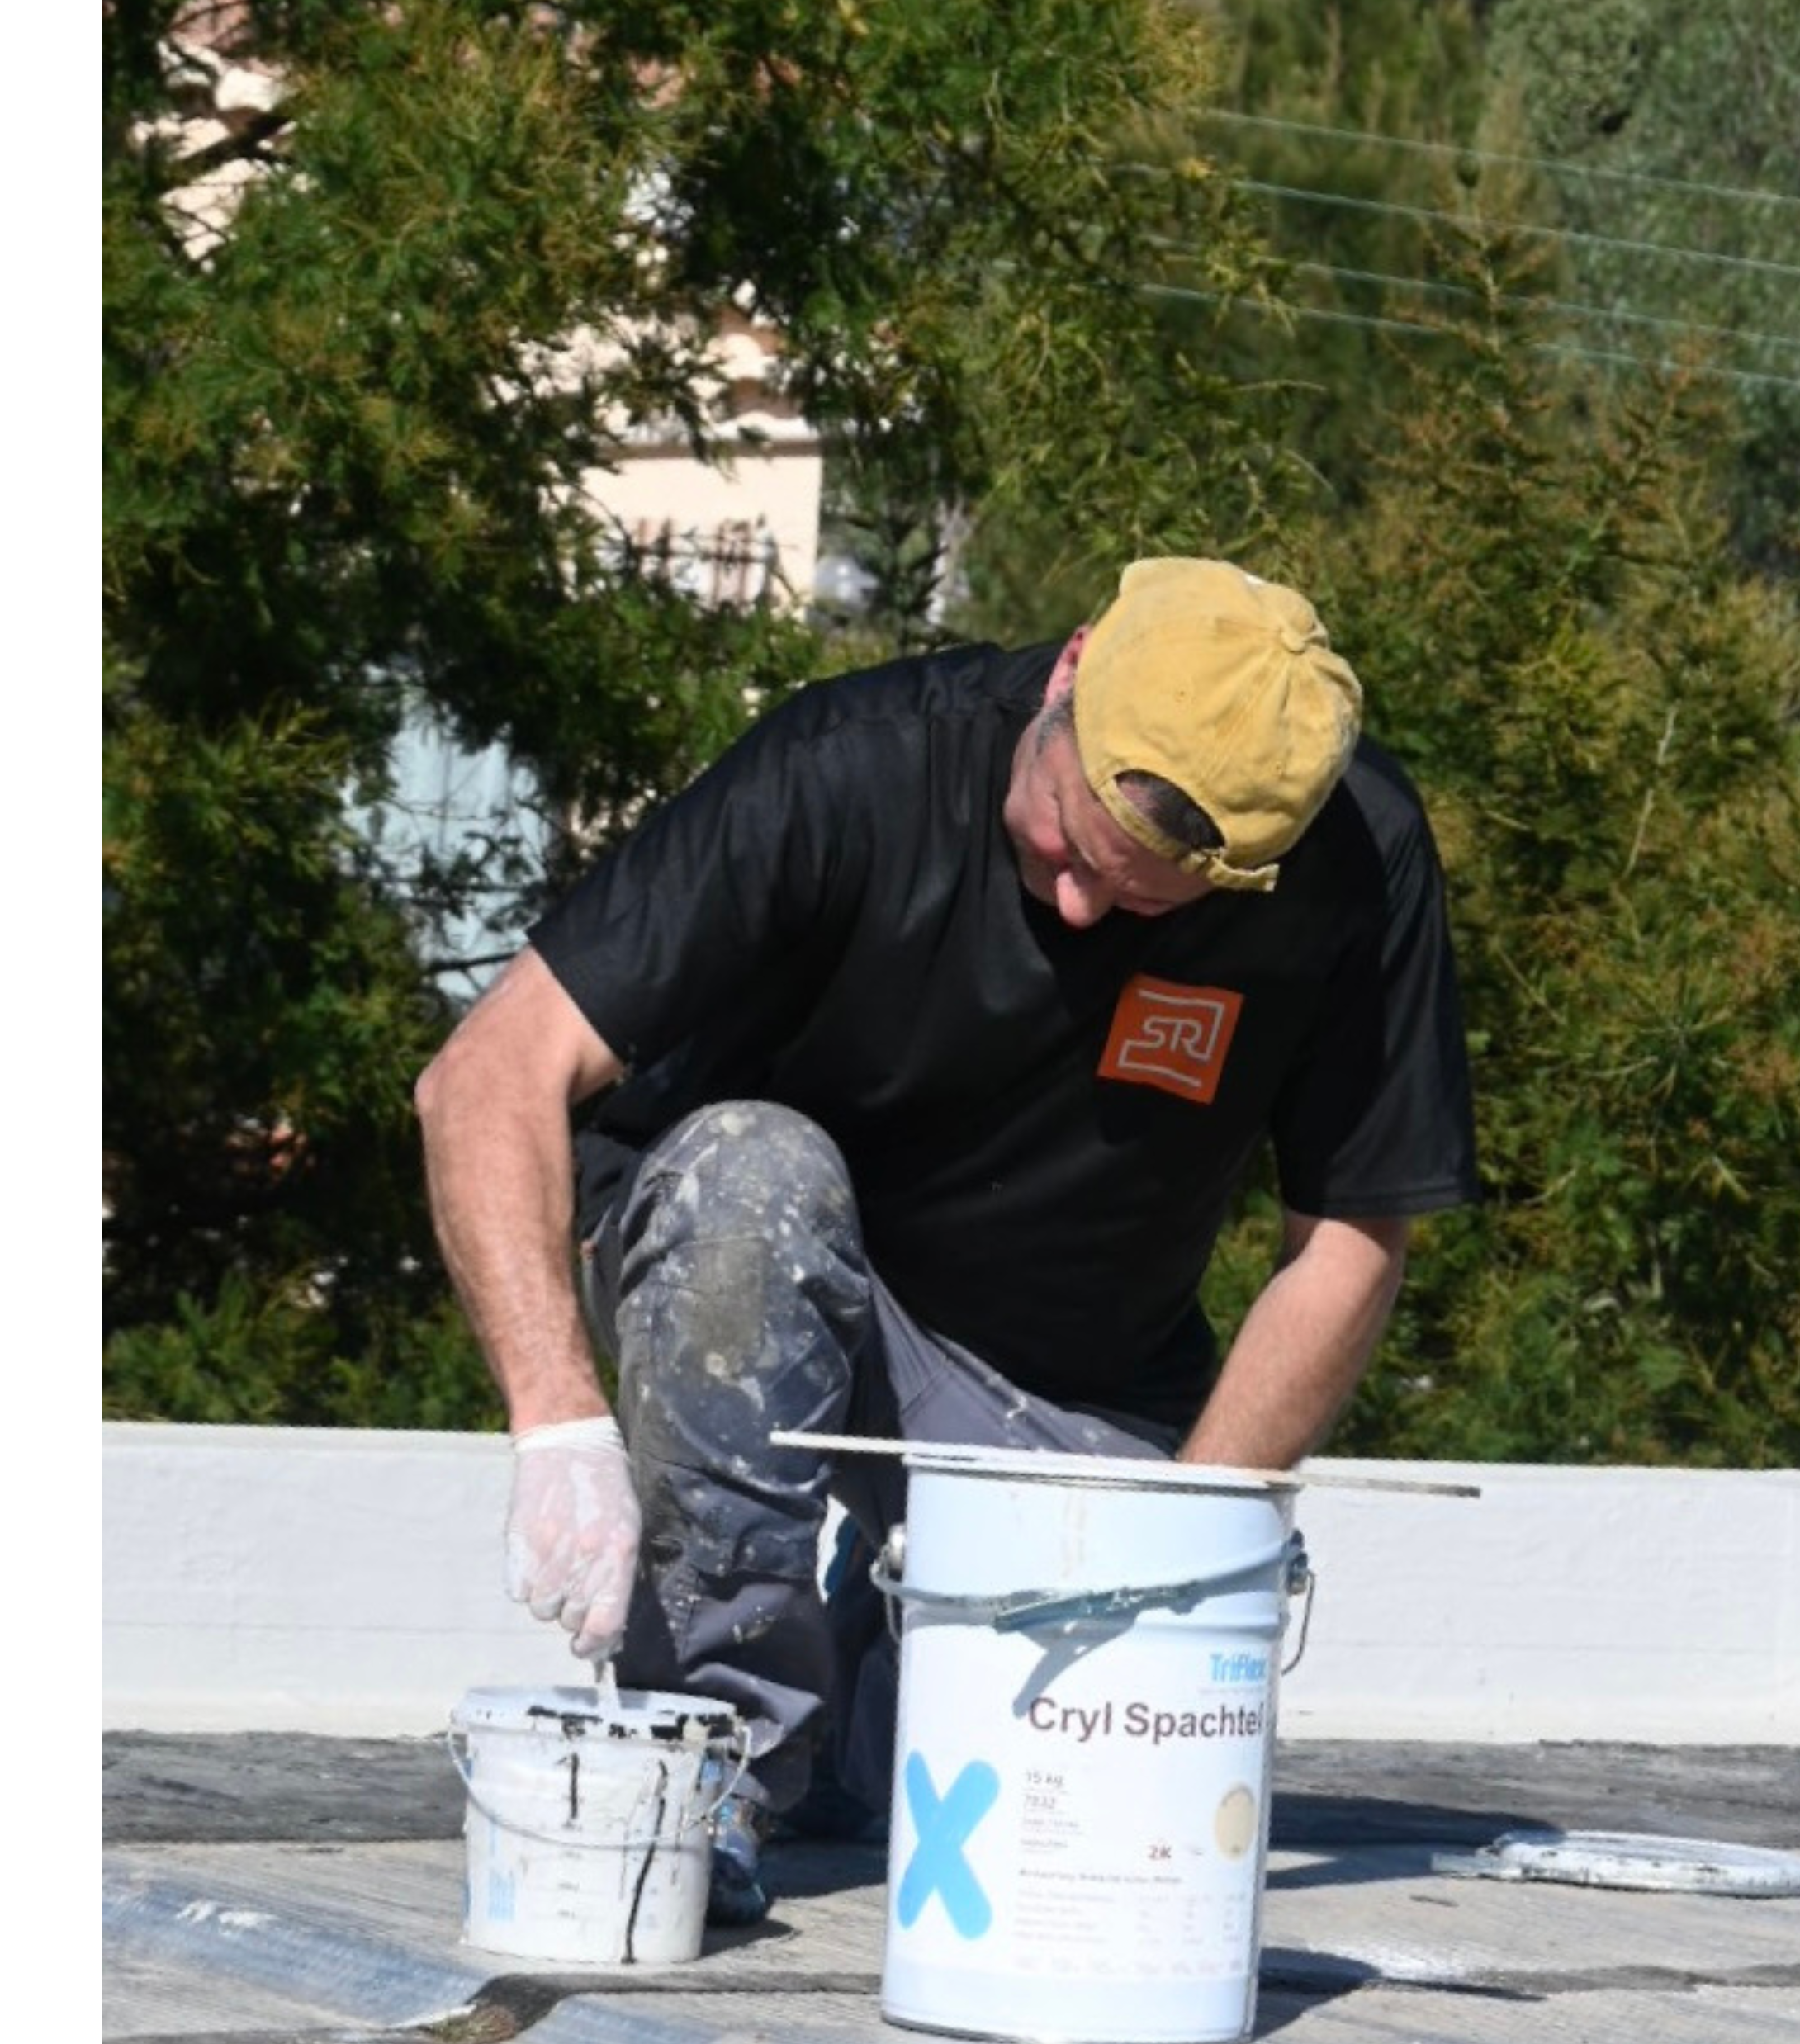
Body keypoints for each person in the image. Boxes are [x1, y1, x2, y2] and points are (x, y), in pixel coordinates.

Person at [414, 555, 1479, 1922]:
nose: (1084, 912)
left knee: (1062, 1798)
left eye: (1148, 902)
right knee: (752, 1176)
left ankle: (878, 1685)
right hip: (769, 1273)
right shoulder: (857, 767)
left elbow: (1346, 1238)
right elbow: (486, 1075)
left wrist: (1187, 1536)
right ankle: (720, 1751)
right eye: (1066, 844)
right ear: (1068, 673)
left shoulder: (1357, 860)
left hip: (1057, 1379)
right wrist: (557, 1425)